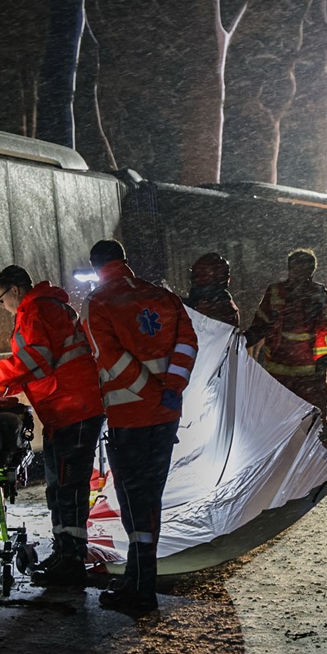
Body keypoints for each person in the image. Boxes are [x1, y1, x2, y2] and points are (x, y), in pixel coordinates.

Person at [82, 240, 198, 615]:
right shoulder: (162, 296)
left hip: (131, 418)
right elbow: (188, 344)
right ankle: (136, 581)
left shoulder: (99, 303)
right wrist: (171, 389)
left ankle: (141, 590)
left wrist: (149, 394)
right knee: (151, 499)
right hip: (165, 417)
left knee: (136, 503)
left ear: (97, 267)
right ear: (124, 261)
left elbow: (112, 362)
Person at [0, 265, 106, 586]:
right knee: (60, 486)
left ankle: (70, 560)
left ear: (15, 290)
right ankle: (65, 551)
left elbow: (36, 358)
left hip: (73, 407)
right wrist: (5, 387)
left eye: (2, 299)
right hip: (66, 408)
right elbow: (38, 365)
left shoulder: (37, 309)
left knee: (68, 487)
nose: (4, 307)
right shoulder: (46, 307)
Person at [243, 248, 327, 448]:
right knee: (298, 425)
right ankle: (305, 468)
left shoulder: (317, 294)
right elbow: (260, 326)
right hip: (288, 375)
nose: (299, 273)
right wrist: (240, 341)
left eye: (303, 269)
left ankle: (313, 469)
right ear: (289, 269)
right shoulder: (282, 292)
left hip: (303, 375)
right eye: (295, 268)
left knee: (309, 425)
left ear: (311, 271)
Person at [183, 252, 240, 327]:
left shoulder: (222, 309)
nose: (196, 279)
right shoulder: (218, 303)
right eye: (196, 274)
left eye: (201, 274)